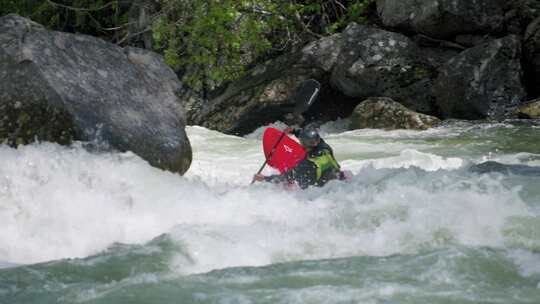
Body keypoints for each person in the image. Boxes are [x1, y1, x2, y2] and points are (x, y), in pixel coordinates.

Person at [253, 126, 344, 189]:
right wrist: (294, 131)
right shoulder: (325, 148)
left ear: (303, 144)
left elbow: (285, 177)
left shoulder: (304, 165)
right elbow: (314, 139)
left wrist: (264, 178)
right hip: (339, 181)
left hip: (319, 193)